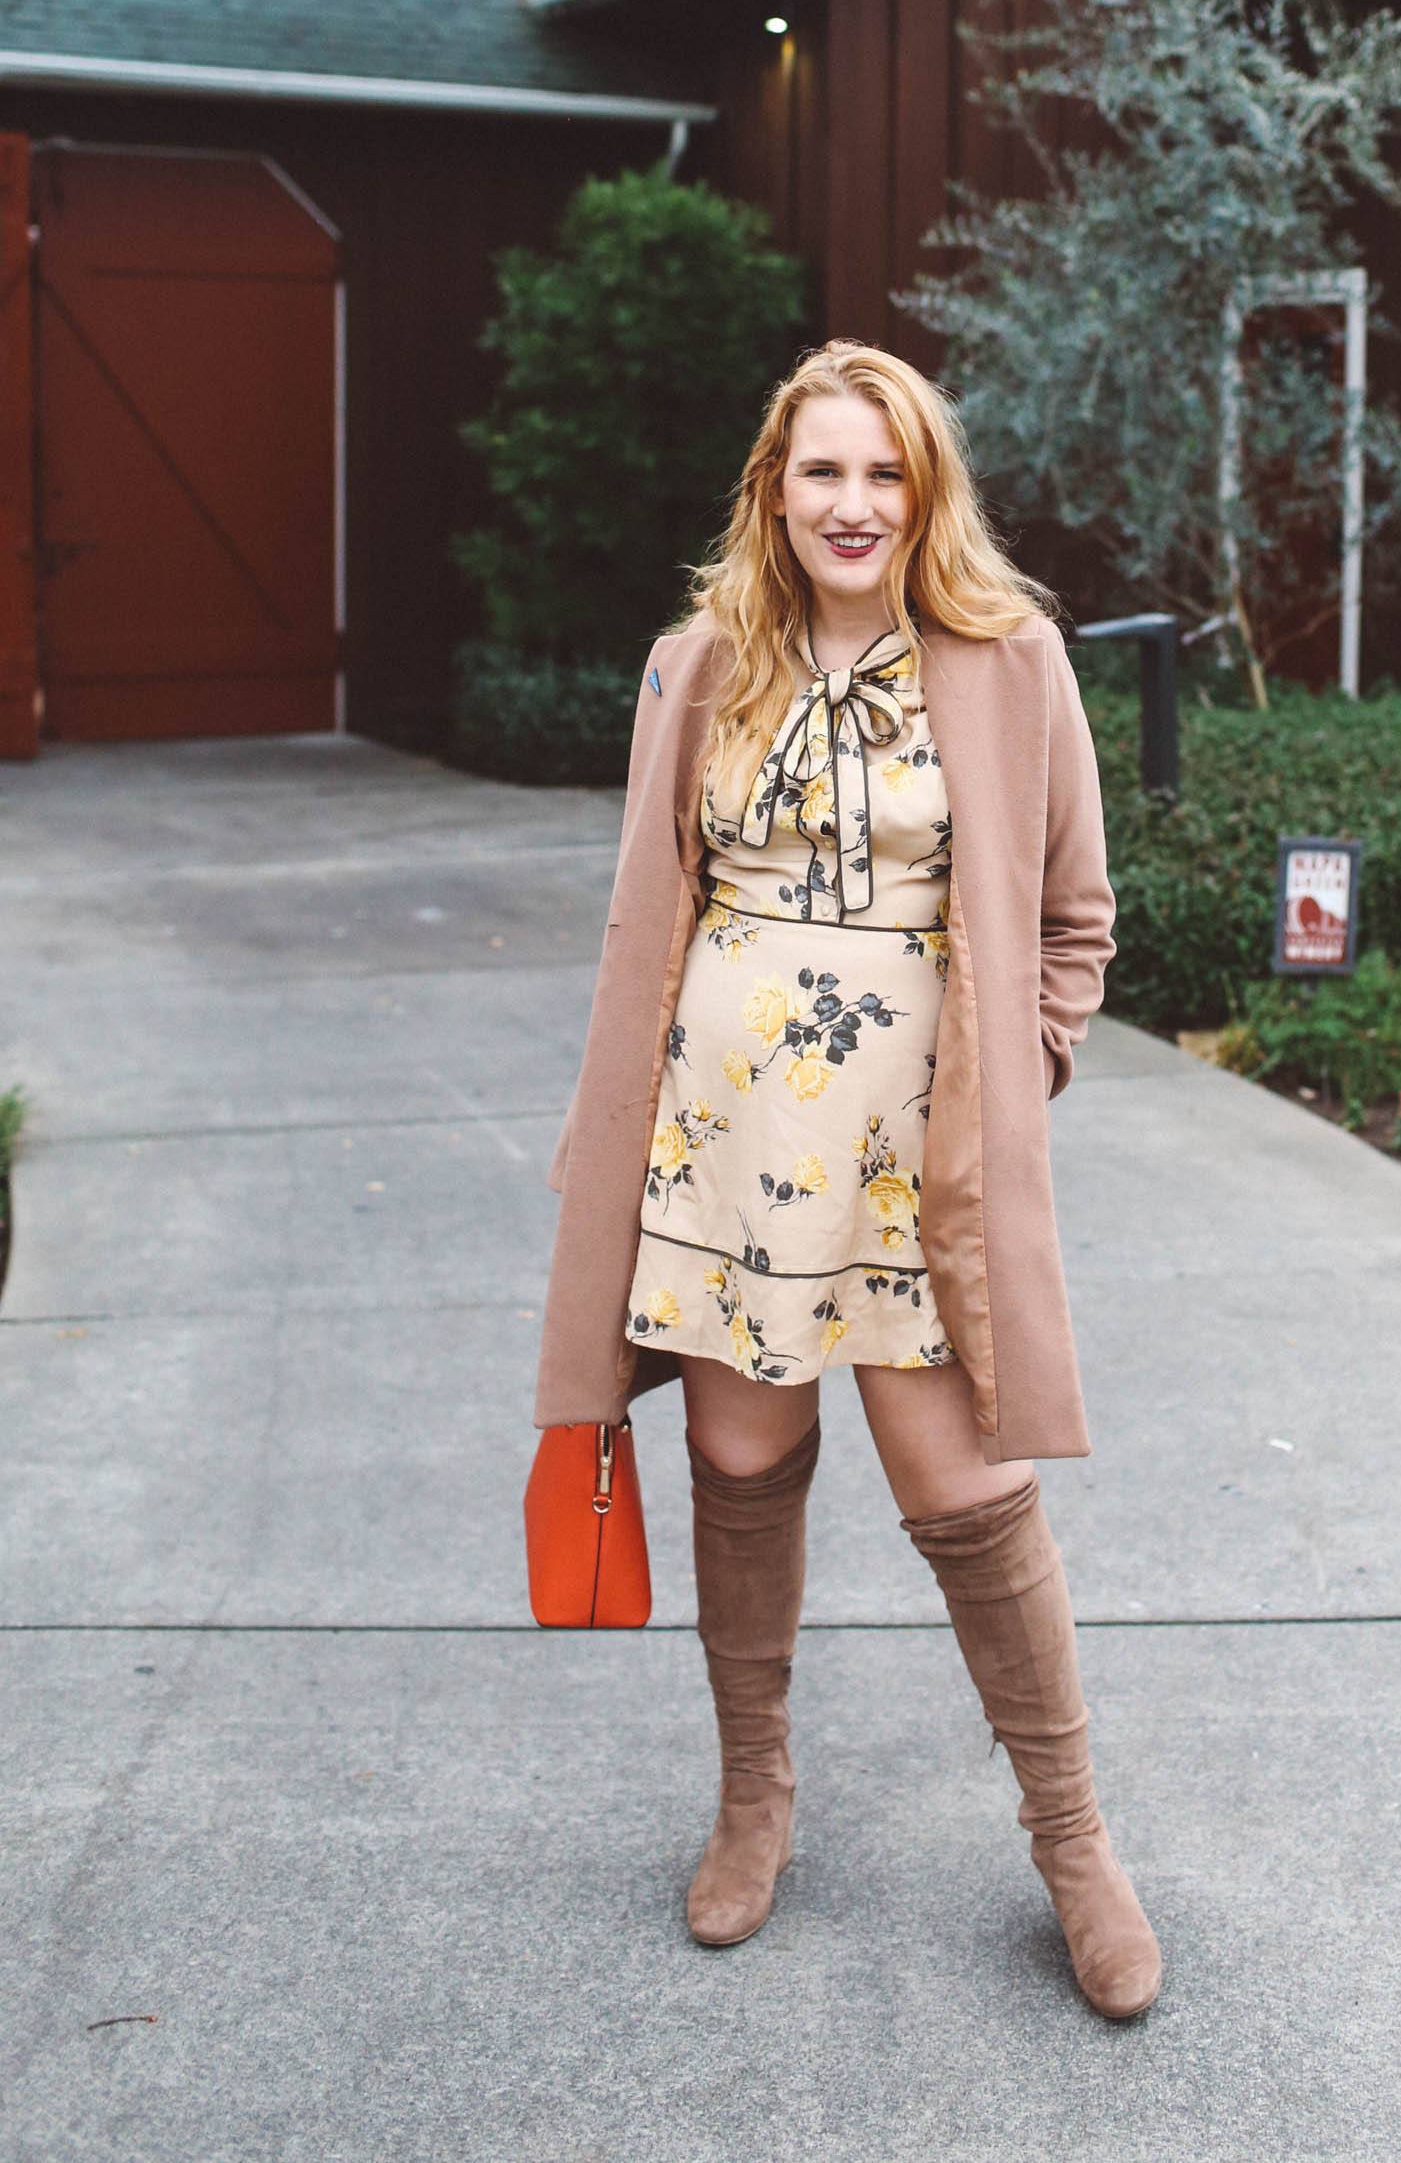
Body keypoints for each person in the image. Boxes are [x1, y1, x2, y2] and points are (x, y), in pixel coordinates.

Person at [532, 339, 1161, 2022]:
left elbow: (1075, 919)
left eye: (885, 473)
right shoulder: (699, 664)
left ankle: (1077, 1847)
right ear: (774, 489)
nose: (855, 503)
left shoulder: (1009, 661)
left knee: (964, 1491)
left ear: (925, 492)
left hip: (912, 1163)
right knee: (743, 1463)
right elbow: (640, 923)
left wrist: (1019, 1078)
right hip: (726, 1146)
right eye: (824, 471)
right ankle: (754, 1802)